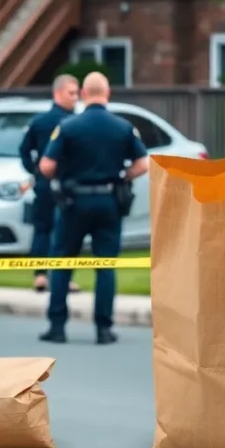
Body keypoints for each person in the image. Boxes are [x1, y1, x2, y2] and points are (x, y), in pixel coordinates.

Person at [36, 71, 149, 345]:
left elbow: (46, 166)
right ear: (107, 93)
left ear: (84, 94)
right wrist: (122, 177)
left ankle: (57, 327)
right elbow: (143, 164)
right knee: (105, 265)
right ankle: (104, 329)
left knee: (63, 262)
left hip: (74, 202)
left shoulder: (68, 126)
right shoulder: (123, 127)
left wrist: (65, 176)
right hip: (109, 202)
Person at [18, 74, 80, 293]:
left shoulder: (38, 122)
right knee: (63, 232)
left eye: (77, 93)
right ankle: (60, 277)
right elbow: (25, 150)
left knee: (43, 230)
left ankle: (41, 275)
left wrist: (34, 171)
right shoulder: (72, 123)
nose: (75, 97)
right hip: (66, 184)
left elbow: (24, 152)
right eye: (71, 93)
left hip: (45, 184)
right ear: (57, 93)